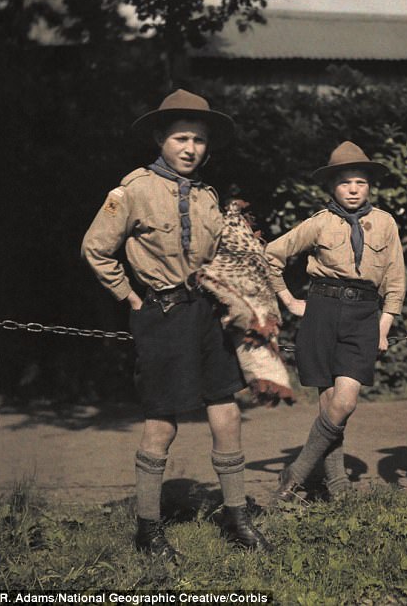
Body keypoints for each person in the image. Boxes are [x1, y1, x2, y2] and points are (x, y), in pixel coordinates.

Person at [81, 89, 267, 559]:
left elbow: (219, 254)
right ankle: (148, 528)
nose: (191, 148)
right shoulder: (133, 191)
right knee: (162, 420)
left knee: (225, 410)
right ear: (160, 139)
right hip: (161, 313)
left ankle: (236, 516)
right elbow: (95, 249)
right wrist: (130, 296)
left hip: (206, 314)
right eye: (181, 138)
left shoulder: (208, 195)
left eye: (200, 140)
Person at [267, 141, 405, 502]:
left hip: (363, 315)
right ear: (332, 187)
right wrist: (288, 300)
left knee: (345, 402)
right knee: (328, 401)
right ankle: (337, 485)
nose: (354, 189)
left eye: (361, 182)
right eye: (345, 183)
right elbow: (270, 255)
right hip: (322, 311)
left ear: (370, 185)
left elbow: (395, 280)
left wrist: (384, 325)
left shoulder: (386, 223)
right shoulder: (319, 223)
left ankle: (295, 473)